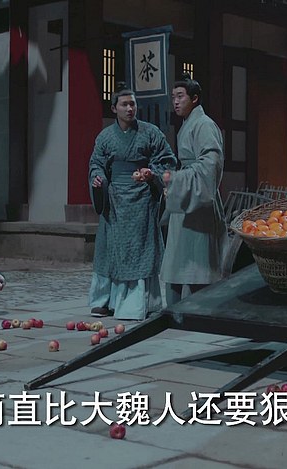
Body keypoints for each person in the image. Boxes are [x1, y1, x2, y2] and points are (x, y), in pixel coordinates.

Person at [88, 84, 177, 320]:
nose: (130, 109)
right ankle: (105, 300)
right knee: (110, 249)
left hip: (142, 199)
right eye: (124, 104)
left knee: (139, 250)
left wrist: (152, 173)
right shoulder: (105, 137)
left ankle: (139, 304)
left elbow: (167, 160)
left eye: (133, 104)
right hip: (114, 201)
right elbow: (96, 164)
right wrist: (98, 179)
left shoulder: (150, 132)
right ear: (114, 108)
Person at [160, 73, 227, 306]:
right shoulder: (189, 124)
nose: (176, 102)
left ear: (195, 98)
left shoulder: (204, 125)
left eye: (180, 96)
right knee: (177, 261)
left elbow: (211, 164)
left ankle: (198, 311)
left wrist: (178, 180)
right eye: (173, 97)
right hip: (185, 198)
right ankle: (176, 312)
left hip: (199, 202)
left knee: (198, 263)